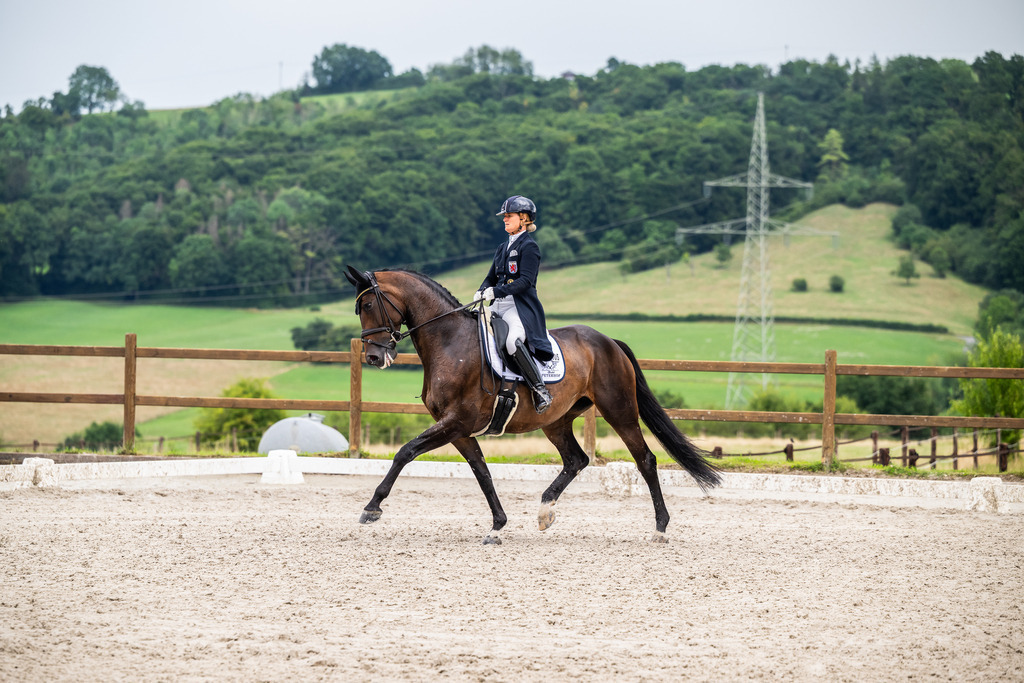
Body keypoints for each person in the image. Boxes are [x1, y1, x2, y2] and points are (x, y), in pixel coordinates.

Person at [474, 195, 553, 413]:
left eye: (509, 216)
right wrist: (481, 291)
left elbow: (525, 282)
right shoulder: (502, 247)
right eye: (504, 216)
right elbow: (491, 276)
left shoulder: (530, 247)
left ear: (524, 218)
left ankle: (540, 390)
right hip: (496, 304)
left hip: (517, 306)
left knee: (512, 342)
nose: (504, 220)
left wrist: (496, 291)